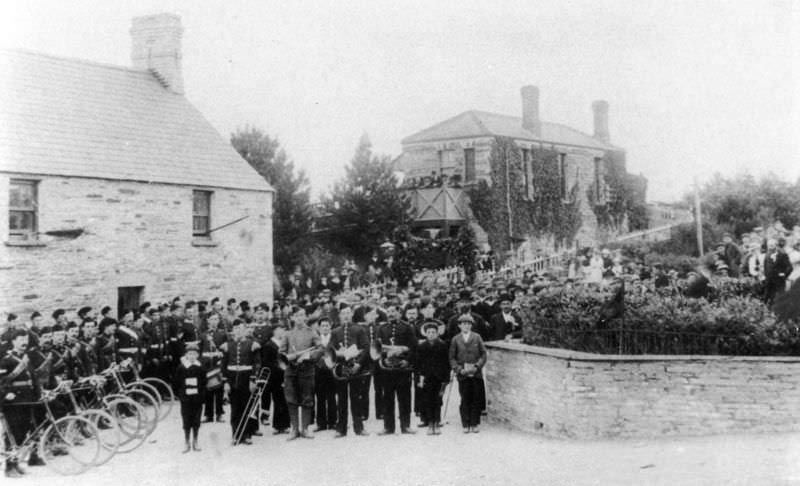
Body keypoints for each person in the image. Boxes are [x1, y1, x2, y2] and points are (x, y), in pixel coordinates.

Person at [281, 307, 323, 440]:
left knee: (307, 399)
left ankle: (305, 428)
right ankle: (294, 429)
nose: (299, 318)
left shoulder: (312, 332)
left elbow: (320, 348)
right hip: (291, 370)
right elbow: (281, 353)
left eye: (302, 315)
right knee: (291, 399)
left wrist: (309, 356)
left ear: (305, 317)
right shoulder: (287, 334)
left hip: (307, 369)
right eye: (297, 315)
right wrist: (289, 357)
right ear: (293, 318)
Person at [327, 304, 369, 437]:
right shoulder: (335, 331)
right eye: (343, 313)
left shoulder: (359, 329)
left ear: (351, 314)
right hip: (341, 369)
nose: (345, 316)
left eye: (347, 313)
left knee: (356, 398)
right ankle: (341, 429)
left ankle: (359, 428)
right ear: (339, 316)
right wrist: (338, 354)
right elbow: (330, 350)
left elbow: (366, 347)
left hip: (355, 368)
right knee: (342, 399)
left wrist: (358, 364)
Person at [1, 330, 38, 477]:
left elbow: (33, 379)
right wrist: (5, 395)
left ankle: (16, 464)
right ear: (14, 341)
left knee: (22, 433)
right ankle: (9, 468)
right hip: (13, 401)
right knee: (12, 434)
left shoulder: (26, 358)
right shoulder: (6, 360)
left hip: (27, 399)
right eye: (21, 338)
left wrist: (38, 395)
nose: (24, 341)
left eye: (26, 338)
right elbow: (1, 382)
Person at [376, 303, 417, 435]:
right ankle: (388, 427)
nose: (390, 313)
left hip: (402, 369)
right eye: (388, 311)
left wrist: (407, 360)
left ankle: (405, 426)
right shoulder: (382, 328)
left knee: (404, 398)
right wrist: (383, 359)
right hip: (388, 369)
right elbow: (377, 347)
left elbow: (414, 346)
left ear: (399, 313)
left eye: (393, 311)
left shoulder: (407, 327)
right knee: (387, 398)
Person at [220, 319, 261, 445]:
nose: (238, 331)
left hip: (246, 379)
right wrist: (225, 382)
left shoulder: (252, 344)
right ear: (233, 331)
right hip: (232, 380)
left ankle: (247, 434)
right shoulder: (228, 345)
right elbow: (223, 365)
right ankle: (236, 435)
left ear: (245, 330)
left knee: (247, 407)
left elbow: (257, 363)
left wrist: (253, 379)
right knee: (235, 408)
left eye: (241, 328)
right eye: (236, 328)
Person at [449, 314, 487, 433]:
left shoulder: (477, 337)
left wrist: (477, 366)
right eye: (463, 324)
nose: (466, 326)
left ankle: (474, 423)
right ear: (459, 325)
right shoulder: (455, 339)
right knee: (465, 397)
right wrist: (459, 369)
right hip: (463, 374)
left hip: (475, 373)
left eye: (468, 324)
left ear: (471, 325)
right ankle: (465, 423)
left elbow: (483, 354)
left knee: (476, 397)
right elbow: (452, 358)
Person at [415, 321, 451, 435]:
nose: (431, 334)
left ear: (437, 333)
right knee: (428, 400)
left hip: (439, 378)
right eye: (429, 332)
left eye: (433, 332)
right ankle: (430, 424)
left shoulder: (443, 345)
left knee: (438, 400)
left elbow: (447, 363)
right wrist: (419, 378)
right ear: (425, 333)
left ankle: (437, 422)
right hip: (427, 378)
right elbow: (418, 364)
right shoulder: (421, 346)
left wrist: (446, 379)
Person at [173, 342, 206, 453]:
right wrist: (181, 395)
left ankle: (195, 441)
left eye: (194, 354)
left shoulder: (200, 368)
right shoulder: (181, 368)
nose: (192, 356)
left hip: (197, 399)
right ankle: (186, 441)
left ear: (197, 355)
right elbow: (176, 383)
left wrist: (202, 396)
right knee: (186, 420)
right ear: (186, 355)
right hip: (186, 399)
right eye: (190, 354)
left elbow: (203, 383)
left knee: (196, 420)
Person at [313, 316, 337, 432]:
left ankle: (333, 422)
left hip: (331, 371)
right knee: (320, 397)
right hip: (319, 371)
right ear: (319, 328)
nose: (325, 328)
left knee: (331, 397)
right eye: (323, 326)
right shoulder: (316, 339)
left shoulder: (334, 338)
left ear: (330, 326)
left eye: (327, 325)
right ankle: (321, 423)